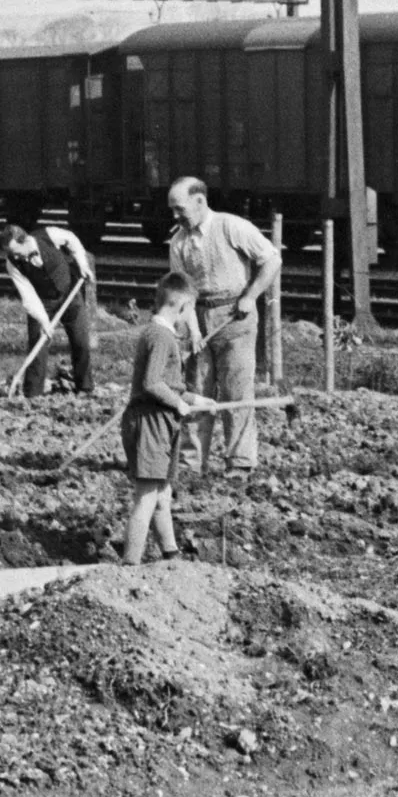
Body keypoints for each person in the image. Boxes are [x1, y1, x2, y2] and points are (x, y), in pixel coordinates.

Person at [165, 176, 281, 475]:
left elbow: (271, 259)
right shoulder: (178, 242)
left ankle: (239, 464)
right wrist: (192, 331)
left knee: (236, 392)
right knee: (195, 393)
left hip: (235, 317)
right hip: (199, 319)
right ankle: (191, 465)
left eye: (180, 209)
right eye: (173, 210)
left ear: (200, 201)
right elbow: (183, 294)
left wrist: (251, 296)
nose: (175, 216)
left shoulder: (232, 226)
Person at [116, 272, 208, 565]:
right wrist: (179, 403)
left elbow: (171, 383)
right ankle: (129, 564)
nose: (190, 316)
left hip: (161, 423)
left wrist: (197, 400)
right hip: (149, 423)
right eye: (191, 309)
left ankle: (171, 555)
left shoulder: (163, 335)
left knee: (163, 493)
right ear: (181, 306)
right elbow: (152, 383)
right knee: (146, 496)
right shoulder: (159, 337)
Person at [0, 222, 96, 396]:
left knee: (81, 341)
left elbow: (71, 239)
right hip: (42, 301)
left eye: (15, 251)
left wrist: (82, 263)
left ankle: (85, 388)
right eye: (10, 253)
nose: (14, 256)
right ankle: (33, 393)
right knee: (38, 342)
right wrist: (44, 322)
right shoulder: (12, 263)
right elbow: (28, 295)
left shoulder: (48, 235)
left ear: (26, 241)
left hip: (70, 293)